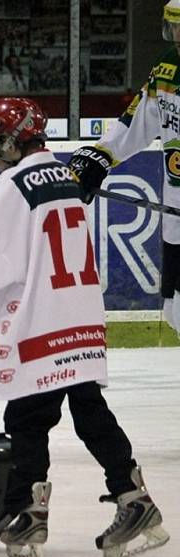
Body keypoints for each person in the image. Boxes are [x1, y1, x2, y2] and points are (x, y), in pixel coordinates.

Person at [0, 97, 169, 557]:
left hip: (42, 318)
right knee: (88, 408)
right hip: (79, 314)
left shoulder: (15, 187)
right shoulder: (65, 175)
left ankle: (27, 513)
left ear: (9, 141)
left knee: (27, 416)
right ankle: (134, 497)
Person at [68, 0, 180, 334]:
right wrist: (99, 157)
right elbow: (136, 122)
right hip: (176, 217)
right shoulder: (167, 68)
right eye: (173, 26)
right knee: (176, 308)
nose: (176, 34)